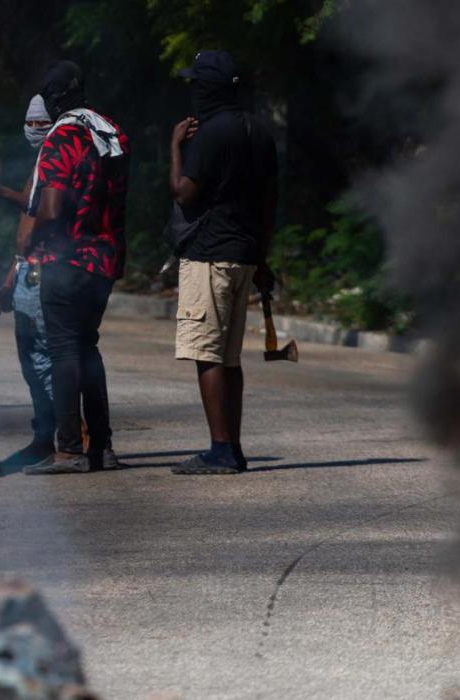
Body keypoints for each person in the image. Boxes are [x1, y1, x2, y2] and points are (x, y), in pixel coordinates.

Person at [167, 50, 278, 475]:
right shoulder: (259, 132)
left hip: (210, 255)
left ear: (207, 89)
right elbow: (270, 202)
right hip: (245, 255)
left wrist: (175, 146)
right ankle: (233, 447)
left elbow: (183, 192)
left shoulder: (212, 133)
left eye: (196, 84)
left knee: (207, 354)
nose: (193, 91)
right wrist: (262, 257)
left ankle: (220, 450)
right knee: (229, 359)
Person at [22, 61, 130, 475]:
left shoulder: (62, 135)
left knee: (64, 349)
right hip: (105, 258)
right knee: (88, 348)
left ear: (54, 98)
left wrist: (33, 237)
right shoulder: (111, 130)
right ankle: (102, 447)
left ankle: (68, 450)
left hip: (67, 260)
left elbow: (51, 207)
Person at [0, 95, 57, 465]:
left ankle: (71, 435)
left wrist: (6, 194)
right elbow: (25, 232)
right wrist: (11, 278)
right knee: (31, 360)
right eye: (31, 123)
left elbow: (39, 210)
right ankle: (46, 435)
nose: (35, 130)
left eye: (43, 123)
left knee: (46, 358)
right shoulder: (40, 161)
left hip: (46, 273)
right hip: (28, 272)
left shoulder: (59, 158)